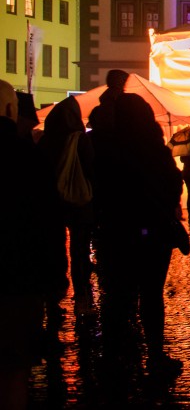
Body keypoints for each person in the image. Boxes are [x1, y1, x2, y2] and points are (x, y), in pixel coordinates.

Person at [90, 92, 185, 380]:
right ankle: (155, 355)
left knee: (117, 296)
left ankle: (112, 357)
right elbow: (172, 186)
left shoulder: (104, 147)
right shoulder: (154, 148)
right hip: (153, 232)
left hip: (115, 231)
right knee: (151, 295)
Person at [0, 80, 61, 409]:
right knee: (14, 368)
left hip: (19, 275)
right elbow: (48, 221)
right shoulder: (30, 158)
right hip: (19, 278)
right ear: (11, 111)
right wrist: (55, 277)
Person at [37, 97, 96, 306]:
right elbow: (91, 170)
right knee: (79, 250)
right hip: (79, 203)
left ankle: (53, 296)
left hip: (52, 203)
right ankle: (81, 293)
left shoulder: (45, 140)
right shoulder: (80, 140)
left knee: (54, 247)